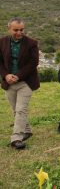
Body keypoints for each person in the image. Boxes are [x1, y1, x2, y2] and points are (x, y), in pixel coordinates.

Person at [0, 18, 40, 150]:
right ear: (9, 28)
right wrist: (6, 75)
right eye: (16, 30)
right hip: (8, 82)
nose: (19, 32)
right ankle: (27, 130)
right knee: (15, 110)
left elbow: (33, 63)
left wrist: (18, 76)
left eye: (21, 30)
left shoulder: (32, 43)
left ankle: (16, 139)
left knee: (21, 110)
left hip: (26, 82)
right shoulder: (2, 42)